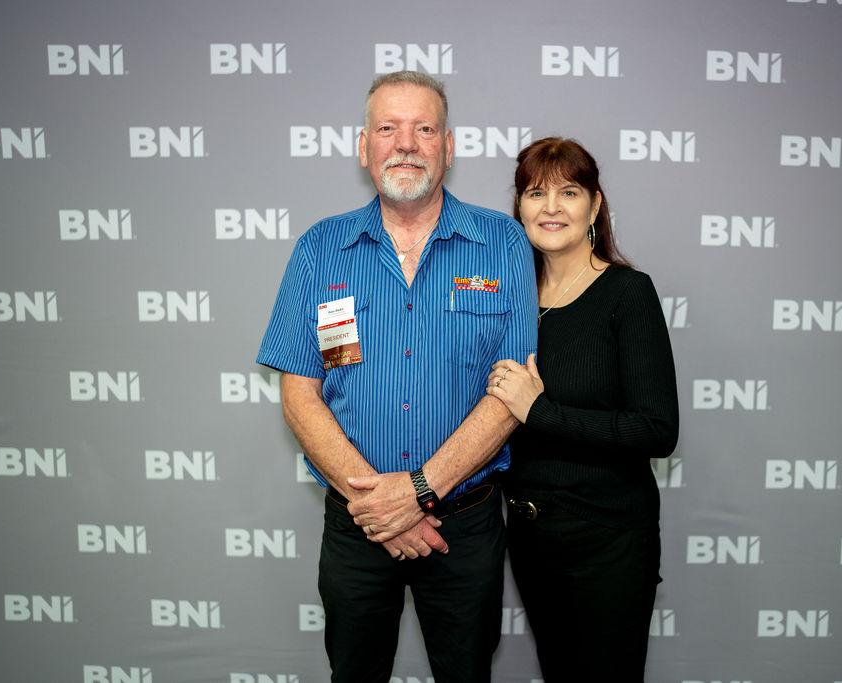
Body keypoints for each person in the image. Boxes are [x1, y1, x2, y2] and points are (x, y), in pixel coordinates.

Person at [256, 71, 537, 683]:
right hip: (357, 524)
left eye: (424, 129)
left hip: (464, 527)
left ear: (448, 146)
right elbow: (300, 394)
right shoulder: (319, 249)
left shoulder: (503, 243)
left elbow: (512, 394)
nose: (406, 144)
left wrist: (416, 494)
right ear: (364, 148)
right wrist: (379, 506)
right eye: (388, 128)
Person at [486, 137, 679, 682]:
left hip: (607, 540)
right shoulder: (507, 300)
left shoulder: (627, 293)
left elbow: (657, 429)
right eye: (536, 193)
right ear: (519, 207)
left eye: (568, 192)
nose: (551, 207)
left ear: (594, 206)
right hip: (530, 537)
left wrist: (539, 411)